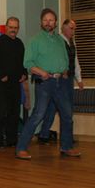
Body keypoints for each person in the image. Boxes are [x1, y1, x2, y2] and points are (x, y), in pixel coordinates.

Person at [15, 9, 81, 159]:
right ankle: (21, 148)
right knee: (38, 115)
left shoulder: (60, 40)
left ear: (55, 23)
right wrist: (41, 72)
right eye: (45, 20)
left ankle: (66, 147)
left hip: (61, 82)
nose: (48, 22)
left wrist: (64, 71)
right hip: (45, 83)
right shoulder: (35, 40)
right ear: (41, 22)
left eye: (51, 20)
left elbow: (65, 59)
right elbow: (27, 63)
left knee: (67, 115)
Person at [37, 19, 83, 144]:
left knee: (66, 109)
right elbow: (55, 59)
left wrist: (79, 79)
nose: (73, 31)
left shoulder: (72, 42)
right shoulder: (57, 41)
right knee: (54, 108)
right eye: (71, 28)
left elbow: (75, 60)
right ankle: (44, 134)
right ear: (63, 27)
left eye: (74, 29)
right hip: (59, 80)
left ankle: (63, 137)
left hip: (69, 80)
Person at [0, 17, 27, 148]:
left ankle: (12, 140)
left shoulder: (20, 43)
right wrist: (1, 75)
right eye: (11, 27)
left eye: (16, 28)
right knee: (1, 113)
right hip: (2, 84)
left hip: (15, 84)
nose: (13, 30)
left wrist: (24, 74)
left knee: (14, 113)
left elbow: (24, 62)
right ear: (6, 27)